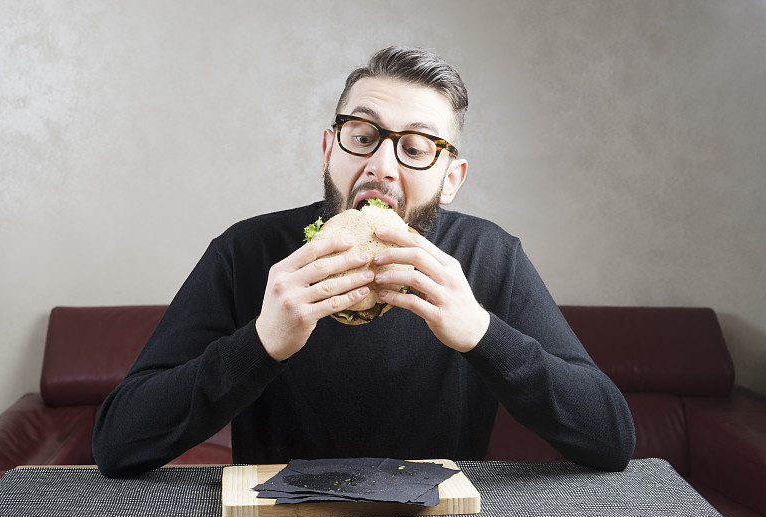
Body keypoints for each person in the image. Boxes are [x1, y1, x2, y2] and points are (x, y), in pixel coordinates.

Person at [92, 46, 635, 478]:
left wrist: (482, 333)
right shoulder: (248, 252)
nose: (382, 166)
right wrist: (260, 343)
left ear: (451, 178)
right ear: (330, 149)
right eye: (363, 135)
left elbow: (610, 437)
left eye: (417, 147)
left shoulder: (488, 257)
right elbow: (118, 443)